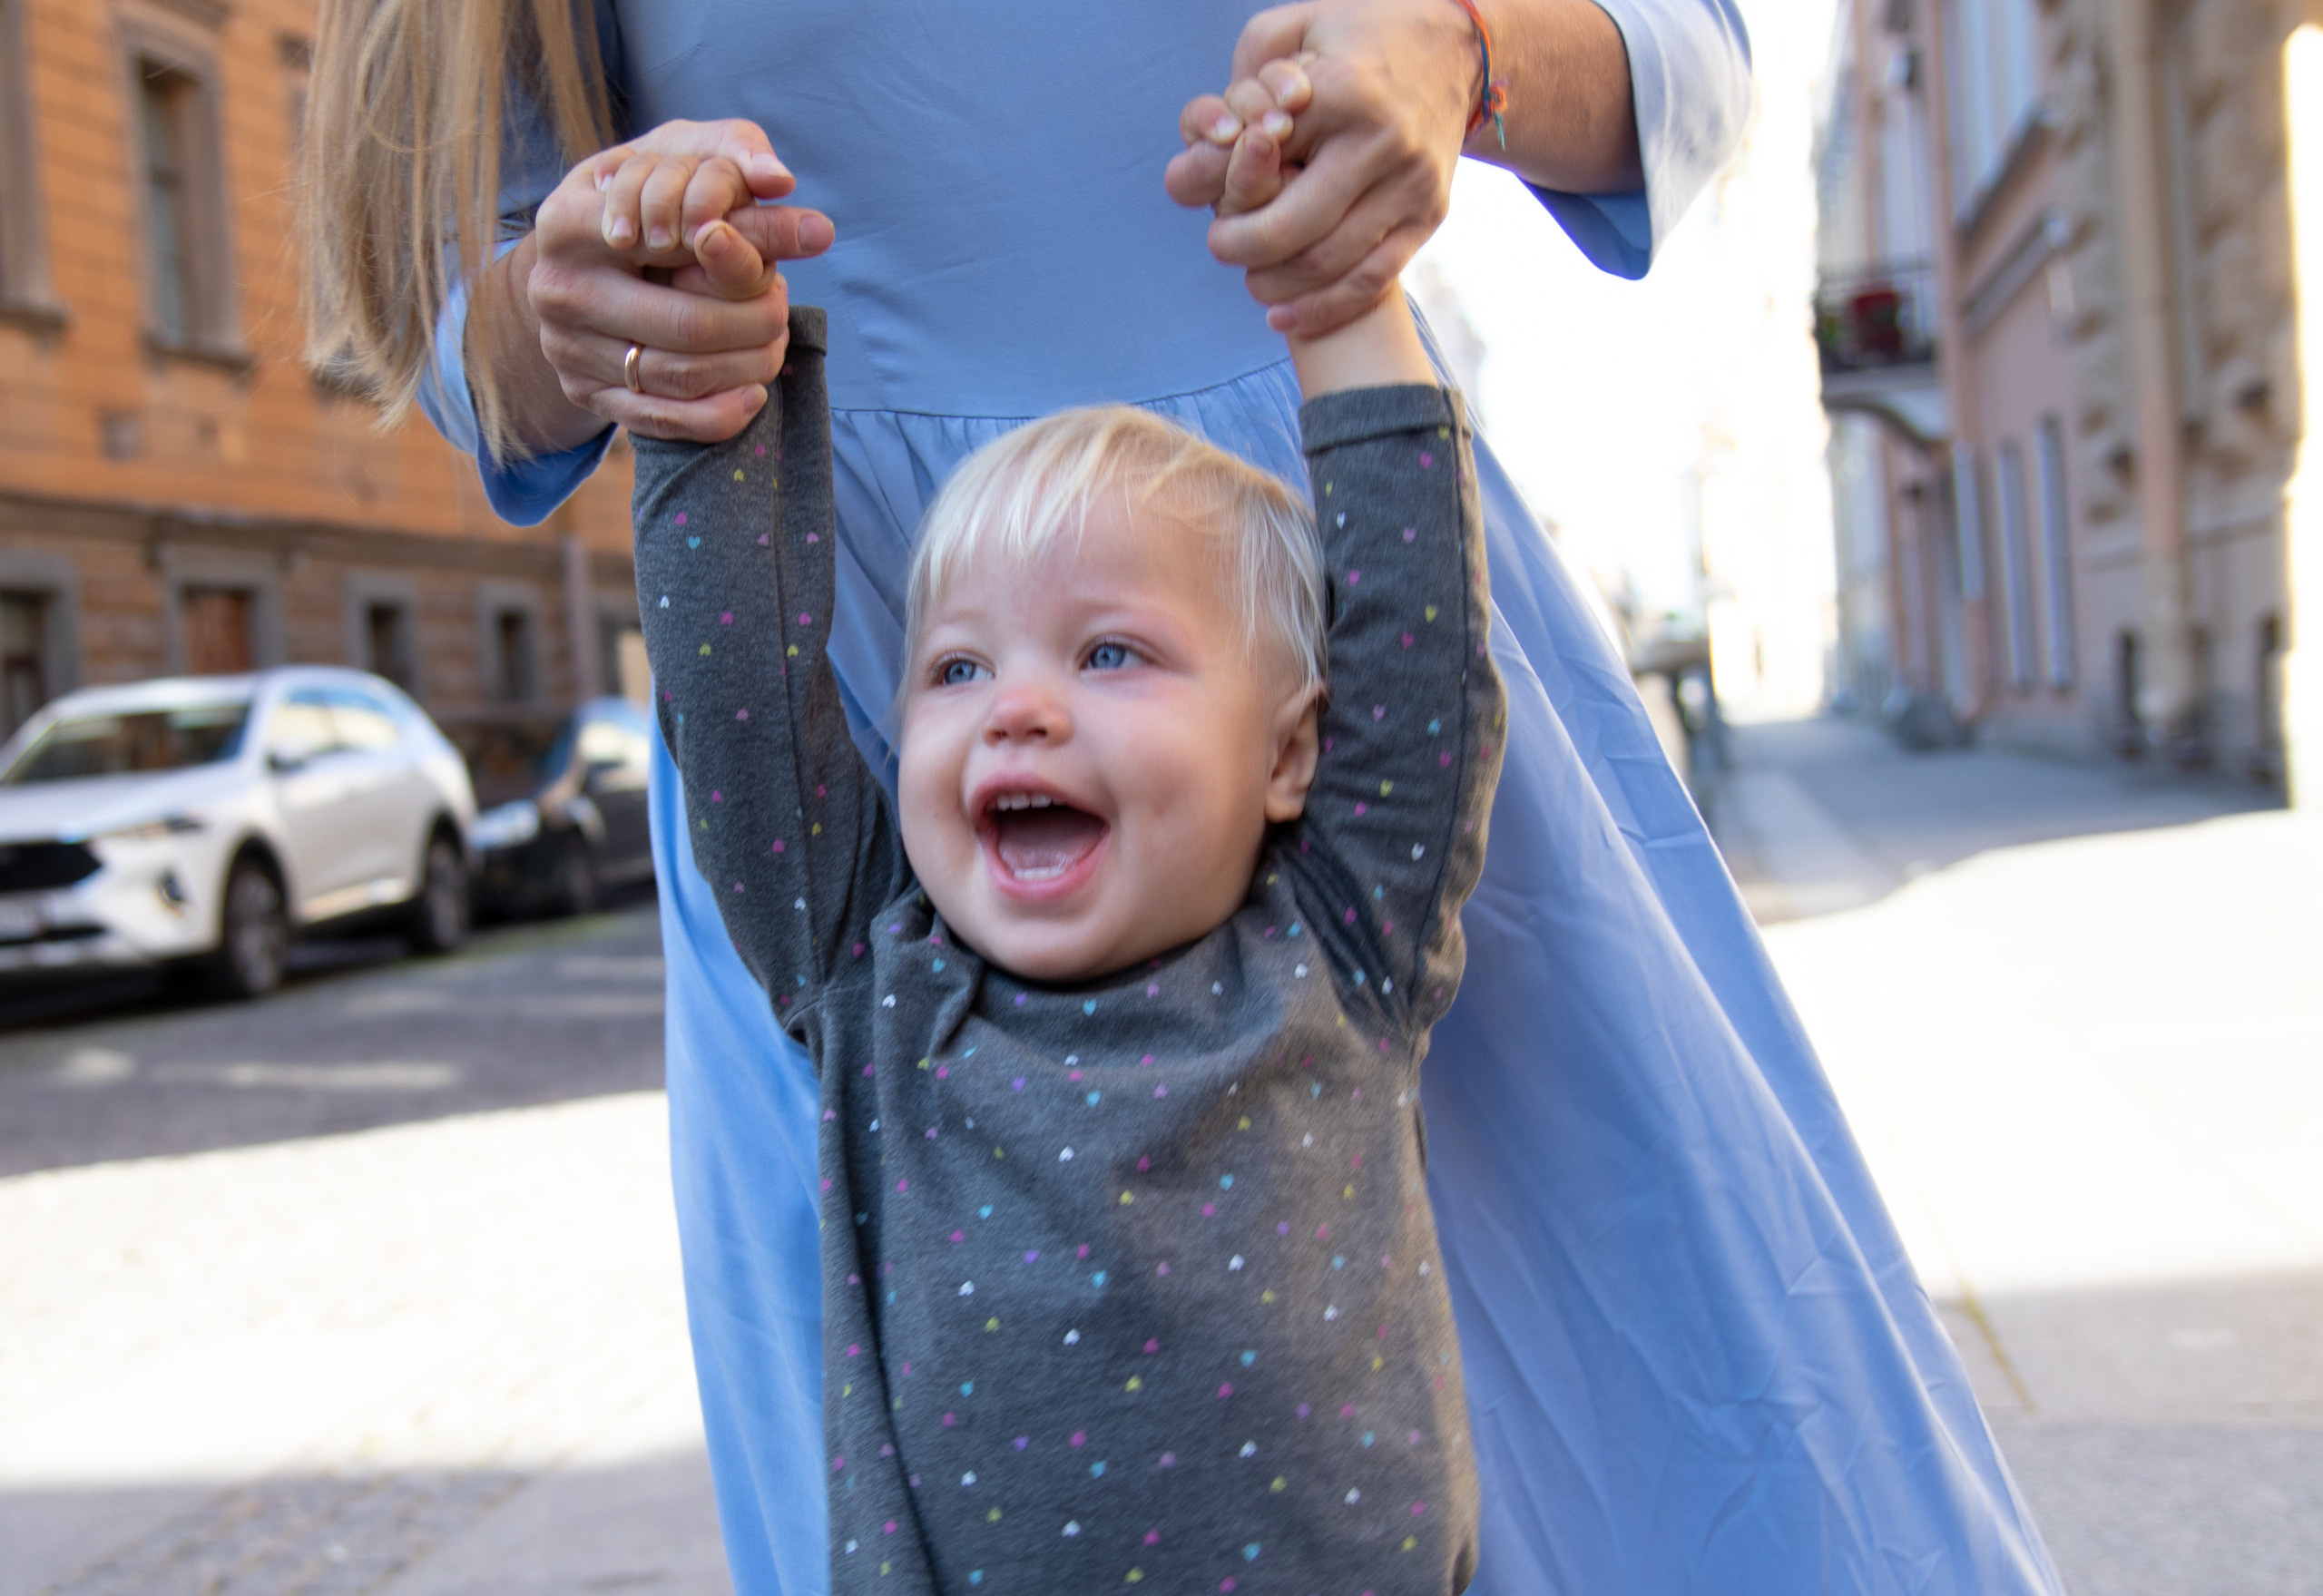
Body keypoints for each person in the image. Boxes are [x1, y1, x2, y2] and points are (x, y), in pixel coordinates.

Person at [302, 3, 2063, 1591]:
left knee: (1649, 1460)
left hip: (1311, 548)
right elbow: (461, 295)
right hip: (835, 630)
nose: (1029, 723)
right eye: (989, 696)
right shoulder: (857, 916)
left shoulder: (1360, 823)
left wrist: (1453, 60)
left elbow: (1680, 54)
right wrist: (613, 327)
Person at [631, 163, 1503, 1578]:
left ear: (1290, 758)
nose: (1016, 709)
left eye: (1111, 654)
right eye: (958, 666)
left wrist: (1345, 300)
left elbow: (1419, 647)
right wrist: (703, 385)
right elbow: (734, 698)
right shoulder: (874, 985)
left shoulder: (1342, 950)